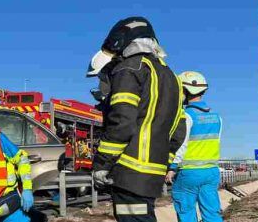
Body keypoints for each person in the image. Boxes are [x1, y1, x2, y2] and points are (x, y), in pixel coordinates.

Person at [88, 17, 187, 222]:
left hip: (129, 172)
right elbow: (179, 131)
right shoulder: (172, 78)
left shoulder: (129, 69)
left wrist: (102, 164)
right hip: (152, 174)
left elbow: (122, 124)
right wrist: (163, 162)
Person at [167, 71, 222, 222]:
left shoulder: (185, 116)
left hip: (189, 173)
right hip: (211, 171)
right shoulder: (217, 117)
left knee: (186, 213)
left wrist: (172, 168)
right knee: (212, 214)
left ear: (184, 91)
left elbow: (180, 144)